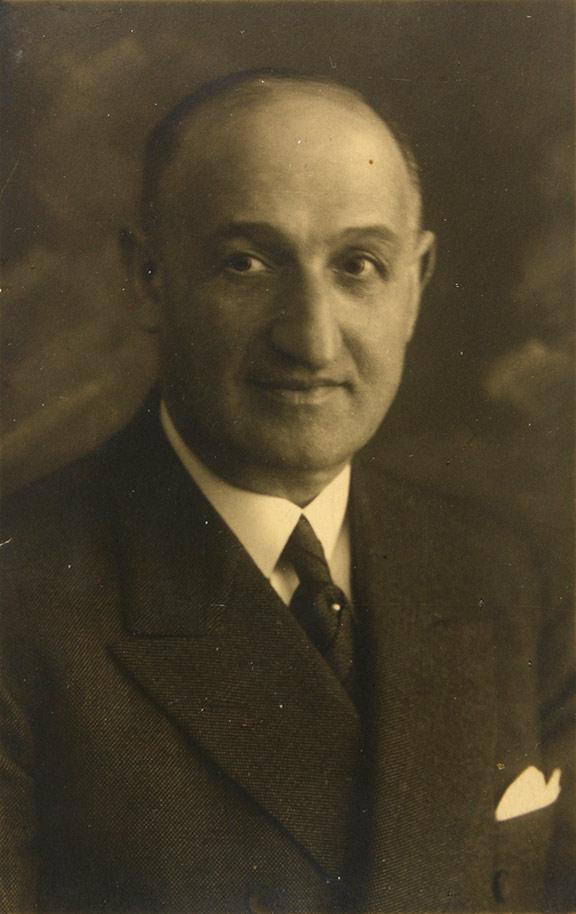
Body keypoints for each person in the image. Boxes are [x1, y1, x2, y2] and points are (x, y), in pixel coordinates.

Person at [1, 69, 574, 914]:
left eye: (358, 266)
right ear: (148, 277)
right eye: (247, 263)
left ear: (414, 283)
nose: (310, 338)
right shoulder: (22, 599)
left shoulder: (511, 580)